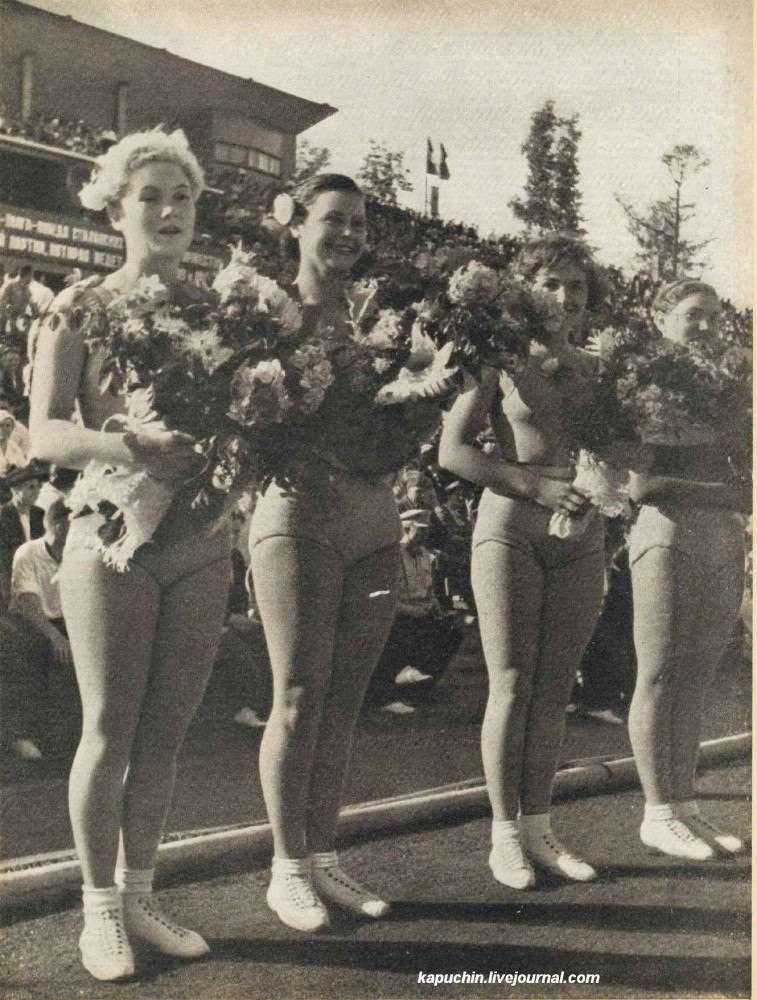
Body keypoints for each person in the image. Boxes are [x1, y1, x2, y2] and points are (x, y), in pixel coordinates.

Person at [29, 128, 232, 981]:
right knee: (109, 729)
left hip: (199, 539)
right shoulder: (76, 305)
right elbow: (44, 432)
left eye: (181, 197)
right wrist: (132, 448)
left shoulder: (224, 311)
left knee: (168, 733)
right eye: (149, 195)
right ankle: (99, 912)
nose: (169, 211)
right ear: (115, 208)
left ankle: (142, 894)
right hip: (109, 538)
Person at [248, 174, 398, 932]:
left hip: (376, 520)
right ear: (297, 226)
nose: (346, 235)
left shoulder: (377, 317)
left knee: (345, 698)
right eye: (332, 220)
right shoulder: (265, 313)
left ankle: (323, 854)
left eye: (358, 225)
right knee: (300, 692)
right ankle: (285, 867)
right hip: (299, 515)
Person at [438, 233, 607, 888]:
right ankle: (503, 833)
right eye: (551, 283)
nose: (563, 297)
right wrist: (533, 484)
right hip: (509, 526)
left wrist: (604, 486)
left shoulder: (597, 369)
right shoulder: (496, 357)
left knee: (556, 684)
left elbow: (613, 449)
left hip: (580, 533)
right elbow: (452, 451)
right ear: (524, 288)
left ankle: (540, 828)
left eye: (576, 286)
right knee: (511, 681)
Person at [627, 279, 748, 859]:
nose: (705, 327)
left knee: (698, 675)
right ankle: (657, 810)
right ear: (660, 318)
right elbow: (642, 485)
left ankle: (685, 804)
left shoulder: (727, 387)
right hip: (667, 532)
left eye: (713, 318)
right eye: (692, 315)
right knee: (659, 673)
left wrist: (729, 493)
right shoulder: (641, 382)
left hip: (721, 536)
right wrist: (723, 491)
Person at [365, 508, 463, 712]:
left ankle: (417, 691)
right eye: (420, 530)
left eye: (426, 530)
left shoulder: (425, 556)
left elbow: (428, 590)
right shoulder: (391, 556)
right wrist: (414, 611)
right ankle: (384, 697)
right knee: (404, 634)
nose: (425, 534)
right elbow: (383, 598)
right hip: (396, 616)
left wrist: (435, 605)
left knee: (453, 633)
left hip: (420, 614)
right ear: (406, 528)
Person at [2, 497, 74, 758]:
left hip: (68, 621)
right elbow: (28, 604)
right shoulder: (28, 553)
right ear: (56, 527)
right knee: (26, 655)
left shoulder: (80, 552)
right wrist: (56, 638)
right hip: (32, 623)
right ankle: (22, 737)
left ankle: (68, 740)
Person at [0, 461, 46, 610]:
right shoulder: (3, 516)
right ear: (14, 489)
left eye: (38, 486)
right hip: (9, 583)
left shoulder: (39, 514)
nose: (37, 491)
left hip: (34, 578)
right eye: (30, 487)